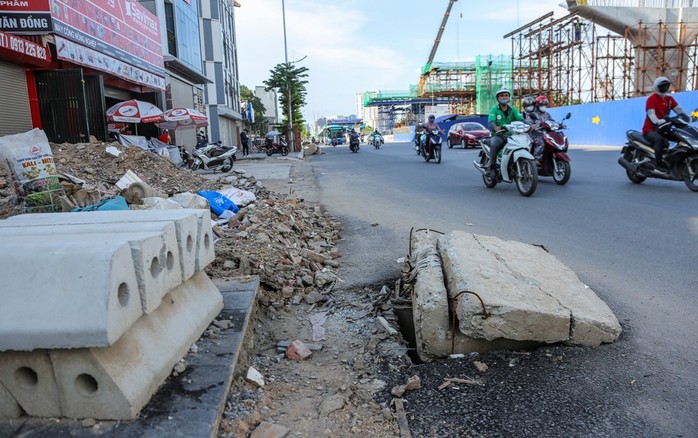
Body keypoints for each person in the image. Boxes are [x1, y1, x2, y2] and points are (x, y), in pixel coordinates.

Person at [642, 76, 690, 171]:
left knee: (681, 137)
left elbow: (679, 110)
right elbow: (651, 114)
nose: (665, 88)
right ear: (656, 86)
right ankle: (658, 163)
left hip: (664, 128)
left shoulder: (669, 100)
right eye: (662, 86)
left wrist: (688, 118)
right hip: (650, 129)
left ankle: (673, 160)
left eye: (666, 85)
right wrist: (658, 121)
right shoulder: (652, 99)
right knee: (659, 140)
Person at [486, 87, 524, 176]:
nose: (504, 97)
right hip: (499, 135)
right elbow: (491, 121)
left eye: (506, 95)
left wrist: (529, 125)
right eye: (502, 95)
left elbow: (521, 119)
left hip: (512, 135)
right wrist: (495, 127)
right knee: (495, 144)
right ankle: (492, 167)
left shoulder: (513, 109)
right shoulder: (494, 109)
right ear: (498, 98)